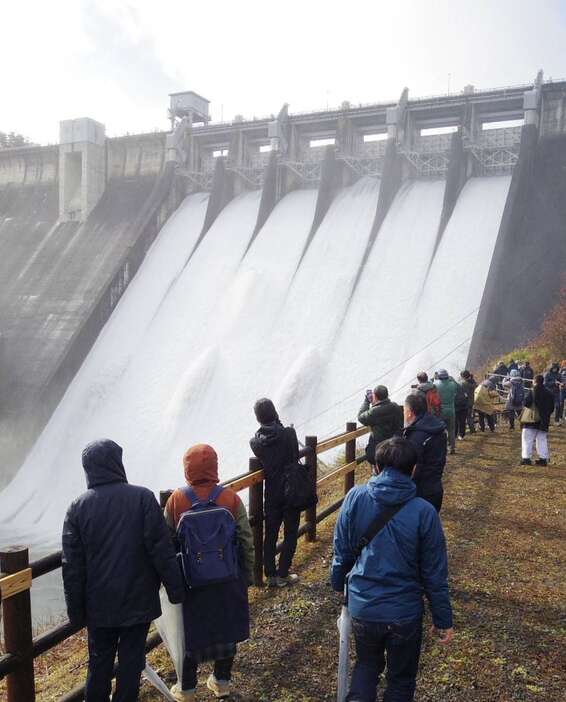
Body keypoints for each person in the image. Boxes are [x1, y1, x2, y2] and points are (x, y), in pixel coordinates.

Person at [62, 439, 185, 702]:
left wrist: (76, 612)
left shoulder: (77, 507)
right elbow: (160, 549)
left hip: (99, 603)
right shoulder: (142, 498)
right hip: (138, 598)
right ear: (117, 463)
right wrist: (176, 589)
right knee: (131, 661)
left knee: (99, 661)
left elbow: (72, 567)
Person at [332, 437, 453, 702]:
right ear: (413, 470)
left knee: (366, 665)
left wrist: (338, 584)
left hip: (364, 606)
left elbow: (342, 550)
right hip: (405, 612)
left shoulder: (355, 497)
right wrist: (442, 618)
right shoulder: (425, 512)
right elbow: (435, 573)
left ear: (376, 466)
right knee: (401, 679)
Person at [165, 444, 254, 701]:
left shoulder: (177, 500)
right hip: (228, 577)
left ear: (187, 468)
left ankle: (188, 689)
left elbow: (167, 541)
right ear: (215, 466)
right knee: (227, 626)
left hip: (192, 581)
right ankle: (221, 682)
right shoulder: (230, 498)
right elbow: (245, 540)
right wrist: (245, 575)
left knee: (191, 630)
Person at [250, 398, 301, 587]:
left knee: (270, 533)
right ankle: (283, 574)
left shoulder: (255, 442)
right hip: (291, 489)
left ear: (258, 418)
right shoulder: (289, 433)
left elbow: (265, 444)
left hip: (272, 493)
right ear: (274, 412)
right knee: (290, 533)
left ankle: (270, 575)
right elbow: (294, 455)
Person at [403, 392, 447, 512]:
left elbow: (415, 467)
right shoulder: (436, 427)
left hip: (420, 492)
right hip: (435, 485)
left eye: (404, 410)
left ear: (410, 412)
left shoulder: (417, 436)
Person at [358, 385, 403, 466]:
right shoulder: (395, 407)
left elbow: (361, 417)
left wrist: (367, 401)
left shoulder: (374, 412)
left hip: (379, 450)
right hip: (395, 447)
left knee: (380, 470)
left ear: (375, 396)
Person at [521, 375, 555, 466]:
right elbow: (552, 408)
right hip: (544, 420)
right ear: (543, 381)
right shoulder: (550, 393)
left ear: (534, 381)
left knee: (527, 439)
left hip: (531, 420)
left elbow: (526, 403)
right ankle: (543, 459)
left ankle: (526, 458)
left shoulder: (532, 391)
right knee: (542, 440)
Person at [434, 369, 458, 454]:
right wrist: (452, 379)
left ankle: (442, 448)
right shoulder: (452, 384)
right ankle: (452, 448)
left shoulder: (435, 384)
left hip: (440, 410)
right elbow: (457, 386)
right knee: (451, 429)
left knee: (440, 430)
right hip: (451, 410)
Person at [459, 370, 477, 435]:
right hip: (471, 401)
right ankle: (472, 430)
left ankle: (462, 432)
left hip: (464, 403)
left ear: (463, 376)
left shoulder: (463, 384)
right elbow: (475, 385)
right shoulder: (473, 383)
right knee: (469, 416)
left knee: (463, 418)